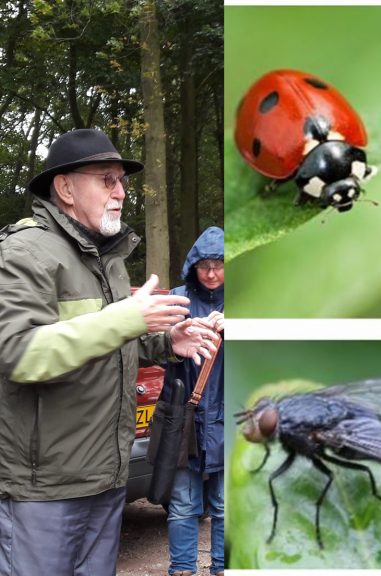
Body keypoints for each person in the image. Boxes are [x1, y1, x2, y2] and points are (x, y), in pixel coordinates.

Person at [0, 128, 219, 576]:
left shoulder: (108, 259)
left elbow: (111, 341)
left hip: (107, 476)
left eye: (121, 181)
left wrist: (165, 342)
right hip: (45, 488)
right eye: (106, 179)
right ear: (64, 188)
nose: (120, 192)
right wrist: (128, 319)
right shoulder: (24, 252)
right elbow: (20, 353)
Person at [161, 226, 224, 576]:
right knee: (184, 506)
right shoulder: (177, 298)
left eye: (220, 265)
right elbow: (155, 354)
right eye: (205, 266)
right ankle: (182, 570)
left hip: (231, 420)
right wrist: (176, 339)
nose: (212, 274)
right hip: (186, 423)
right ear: (193, 267)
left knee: (227, 507)